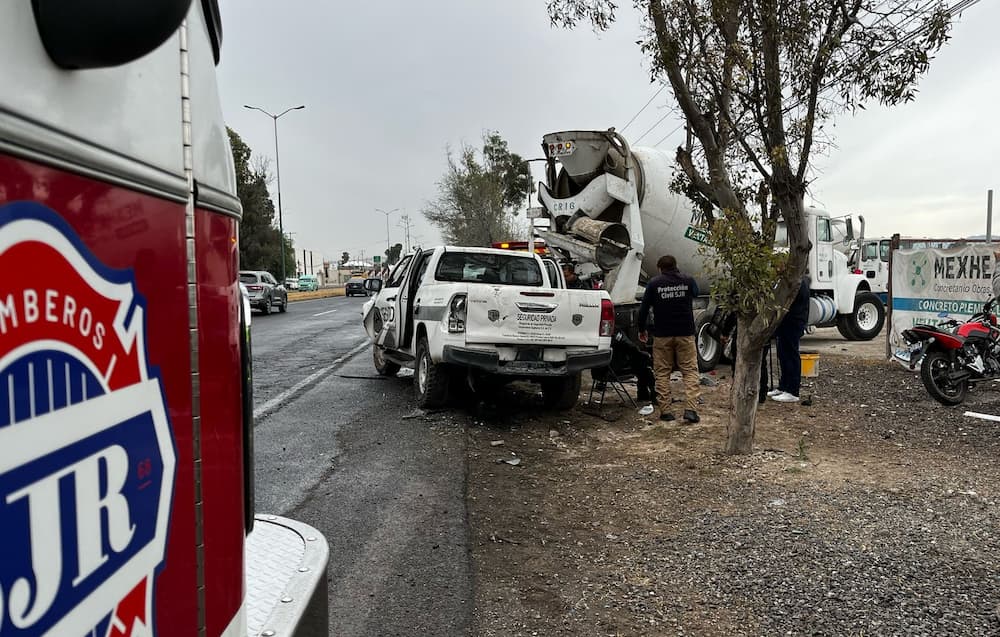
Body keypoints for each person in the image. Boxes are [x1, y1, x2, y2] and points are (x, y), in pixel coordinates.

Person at [637, 255, 700, 423]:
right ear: (675, 265)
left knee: (662, 373)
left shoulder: (654, 284)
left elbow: (643, 310)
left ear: (660, 268)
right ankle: (691, 410)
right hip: (685, 333)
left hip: (662, 335)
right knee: (690, 372)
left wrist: (641, 329)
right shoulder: (688, 280)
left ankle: (666, 411)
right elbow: (696, 293)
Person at [769, 275, 811, 403]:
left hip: (793, 321)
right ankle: (784, 386)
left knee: (791, 354)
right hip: (785, 322)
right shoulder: (789, 280)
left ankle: (793, 390)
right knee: (783, 354)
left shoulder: (798, 281)